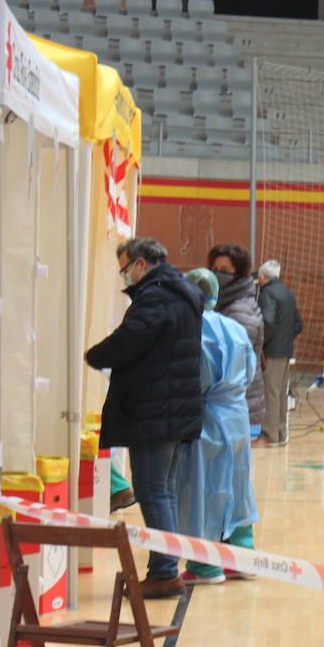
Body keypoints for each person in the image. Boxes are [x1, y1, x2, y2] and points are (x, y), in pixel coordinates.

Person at [85, 238, 203, 600]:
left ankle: (165, 572)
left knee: (153, 493)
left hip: (155, 412)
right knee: (162, 493)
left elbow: (129, 340)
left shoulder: (157, 296)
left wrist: (94, 354)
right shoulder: (180, 292)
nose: (125, 277)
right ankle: (165, 567)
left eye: (125, 269)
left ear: (140, 263)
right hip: (173, 410)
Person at [176, 269, 260, 584]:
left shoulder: (191, 329)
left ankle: (205, 565)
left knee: (203, 489)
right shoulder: (235, 329)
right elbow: (250, 372)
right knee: (239, 486)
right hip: (237, 415)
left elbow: (193, 376)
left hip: (206, 416)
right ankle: (242, 556)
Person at [207, 243, 266, 440]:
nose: (217, 274)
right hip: (229, 408)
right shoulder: (225, 304)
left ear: (238, 274)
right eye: (214, 270)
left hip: (237, 408)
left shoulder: (240, 310)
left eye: (224, 270)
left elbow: (236, 366)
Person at [256, 259, 303, 448]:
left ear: (261, 277)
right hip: (285, 351)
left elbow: (267, 321)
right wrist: (285, 339)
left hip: (272, 352)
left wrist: (262, 344)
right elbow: (298, 324)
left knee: (270, 394)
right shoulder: (287, 292)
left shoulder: (267, 293)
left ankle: (269, 435)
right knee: (280, 393)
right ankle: (281, 433)